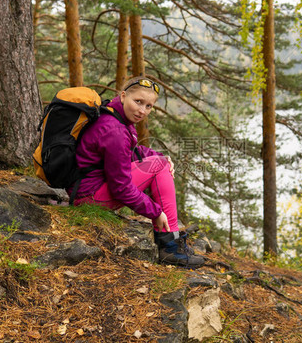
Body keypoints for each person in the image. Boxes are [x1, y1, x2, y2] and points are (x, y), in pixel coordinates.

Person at [70, 76, 205, 268]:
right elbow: (121, 188)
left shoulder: (116, 116)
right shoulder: (114, 129)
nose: (142, 111)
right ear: (124, 96)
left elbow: (130, 152)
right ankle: (170, 247)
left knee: (160, 163)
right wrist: (155, 212)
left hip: (87, 189)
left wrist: (160, 157)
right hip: (89, 196)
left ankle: (170, 241)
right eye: (138, 102)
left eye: (149, 106)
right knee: (158, 166)